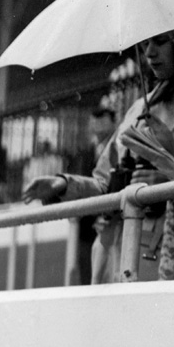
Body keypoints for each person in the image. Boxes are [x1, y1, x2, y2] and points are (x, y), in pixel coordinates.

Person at [24, 30, 174, 282]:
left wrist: (171, 182)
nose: (149, 53)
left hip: (167, 264)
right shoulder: (139, 109)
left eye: (161, 42)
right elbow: (106, 182)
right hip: (116, 255)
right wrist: (64, 185)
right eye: (145, 43)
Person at [68, 103, 118, 284]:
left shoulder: (119, 148)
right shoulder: (85, 153)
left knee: (108, 276)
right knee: (87, 276)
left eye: (103, 119)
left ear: (114, 122)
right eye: (95, 120)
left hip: (109, 221)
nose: (97, 124)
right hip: (86, 224)